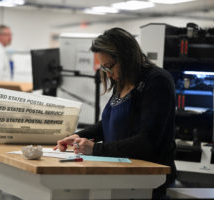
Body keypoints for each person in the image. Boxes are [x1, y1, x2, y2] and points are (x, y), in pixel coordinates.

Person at [54, 27, 176, 199]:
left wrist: (95, 148)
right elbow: (107, 124)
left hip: (147, 180)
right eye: (104, 69)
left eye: (110, 67)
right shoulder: (122, 81)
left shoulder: (157, 81)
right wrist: (77, 136)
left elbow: (147, 141)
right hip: (119, 173)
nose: (109, 75)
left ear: (126, 57)